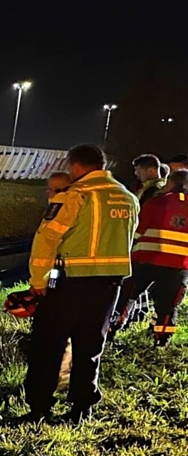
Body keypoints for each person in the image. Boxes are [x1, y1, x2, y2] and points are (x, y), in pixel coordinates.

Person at [23, 144, 138, 423]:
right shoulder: (128, 197)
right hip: (110, 284)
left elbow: (46, 240)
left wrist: (38, 282)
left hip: (68, 284)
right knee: (89, 347)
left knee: (48, 344)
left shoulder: (75, 196)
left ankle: (40, 407)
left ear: (74, 165)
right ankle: (81, 408)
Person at [111, 170, 188, 346]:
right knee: (168, 306)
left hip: (145, 259)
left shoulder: (156, 203)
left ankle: (112, 328)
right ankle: (161, 340)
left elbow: (137, 231)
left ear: (171, 183)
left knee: (127, 297)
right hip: (178, 266)